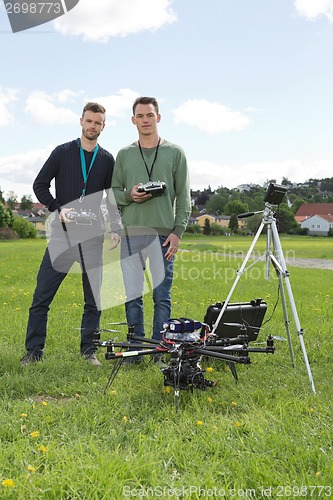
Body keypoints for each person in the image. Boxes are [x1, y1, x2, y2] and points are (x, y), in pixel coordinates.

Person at [21, 102, 120, 367]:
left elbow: (110, 199)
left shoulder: (107, 159)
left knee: (94, 300)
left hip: (92, 238)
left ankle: (89, 351)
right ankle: (33, 351)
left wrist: (115, 228)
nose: (93, 126)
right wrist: (57, 209)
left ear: (103, 126)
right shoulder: (62, 152)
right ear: (81, 121)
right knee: (41, 296)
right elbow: (39, 184)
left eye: (98, 122)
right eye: (89, 121)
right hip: (62, 237)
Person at [111, 96, 191, 365]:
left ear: (159, 117)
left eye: (150, 115)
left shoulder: (175, 153)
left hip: (163, 235)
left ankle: (161, 351)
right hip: (131, 234)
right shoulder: (124, 155)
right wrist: (130, 195)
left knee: (161, 296)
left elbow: (184, 195)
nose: (145, 120)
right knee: (133, 295)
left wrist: (178, 231)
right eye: (140, 116)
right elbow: (113, 193)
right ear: (133, 120)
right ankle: (135, 350)